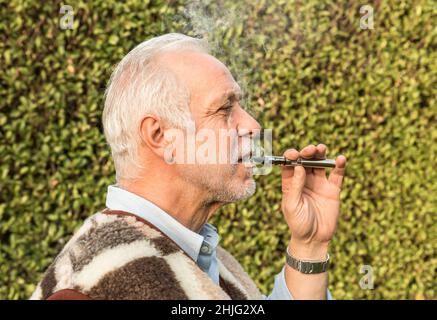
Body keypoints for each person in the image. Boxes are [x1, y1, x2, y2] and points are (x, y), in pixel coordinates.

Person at [31, 33, 347, 300]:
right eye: (225, 109)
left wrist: (309, 246)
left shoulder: (204, 258)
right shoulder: (90, 286)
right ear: (159, 136)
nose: (252, 125)